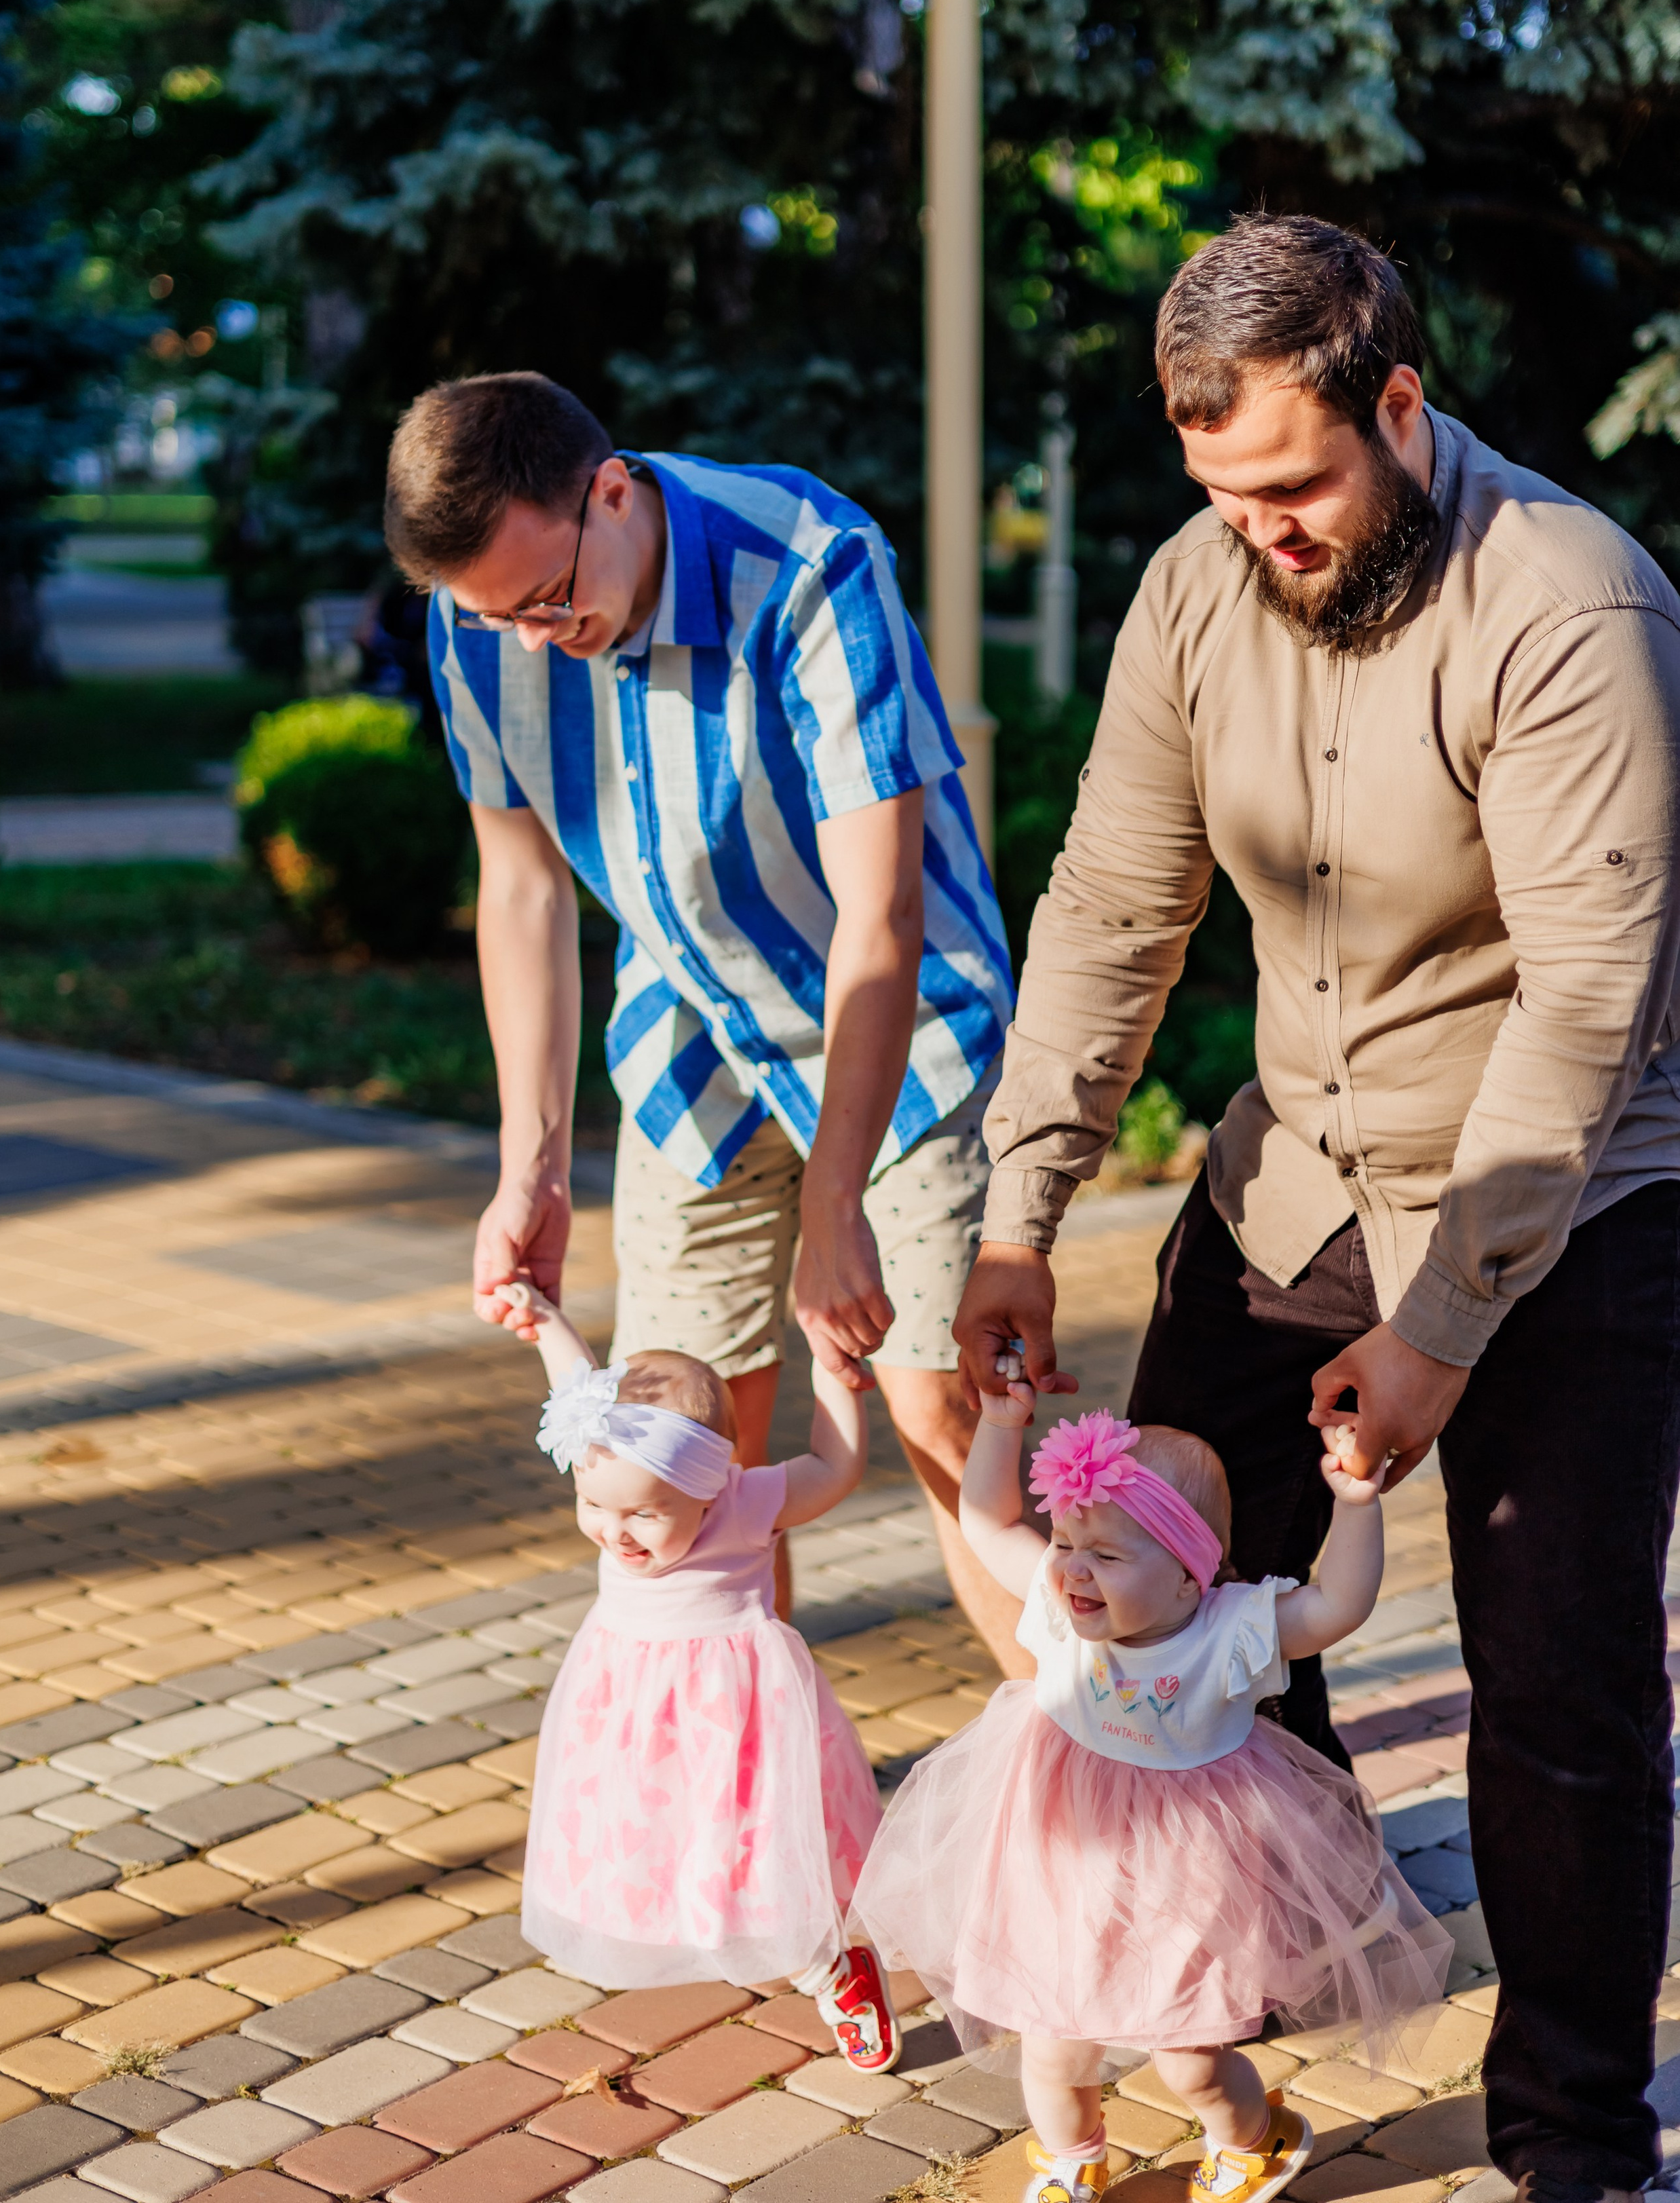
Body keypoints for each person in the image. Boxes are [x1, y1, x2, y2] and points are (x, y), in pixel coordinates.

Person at [953, 214, 1680, 2203]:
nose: (1257, 532)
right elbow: (1113, 905)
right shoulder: (1195, 591)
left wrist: (1441, 1324)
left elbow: (1586, 999)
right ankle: (1255, 1992)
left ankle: (1575, 2134)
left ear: (1400, 402)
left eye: (1293, 486)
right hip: (1286, 1190)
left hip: (1569, 1199)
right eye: (1218, 493)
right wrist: (1019, 1214)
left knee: (1562, 1696)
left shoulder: (1570, 602)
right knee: (1203, 1616)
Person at [386, 373, 1023, 1668]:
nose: (529, 641)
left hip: (902, 1036)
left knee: (937, 1410)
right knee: (685, 1444)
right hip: (692, 1042)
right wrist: (534, 1164)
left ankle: (1092, 1778)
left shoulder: (808, 567)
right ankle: (748, 1799)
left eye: (549, 600)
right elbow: (521, 892)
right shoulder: (484, 623)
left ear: (609, 492)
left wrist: (837, 1203)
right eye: (490, 616)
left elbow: (880, 920)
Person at [854, 1391, 1449, 2203]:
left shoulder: (1228, 1630)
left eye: (1104, 1554)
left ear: (1184, 1575)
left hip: (1189, 1876)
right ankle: (1071, 2159)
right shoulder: (1060, 1611)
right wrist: (998, 1425)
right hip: (1059, 1861)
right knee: (1052, 2042)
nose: (1070, 1568)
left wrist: (1355, 1504)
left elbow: (1337, 1606)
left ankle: (1252, 2140)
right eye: (1065, 1541)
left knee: (1190, 2058)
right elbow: (988, 1522)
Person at [508, 1277, 900, 2070]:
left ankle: (828, 1970)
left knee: (754, 1855)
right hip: (630, 1713)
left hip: (735, 1720)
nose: (614, 1533)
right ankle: (716, 1929)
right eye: (594, 1506)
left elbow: (835, 1465)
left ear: (709, 1484)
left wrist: (834, 1373)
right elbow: (576, 1389)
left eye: (644, 1515)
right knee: (658, 1842)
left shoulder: (747, 1502)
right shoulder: (608, 1453)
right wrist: (548, 1318)